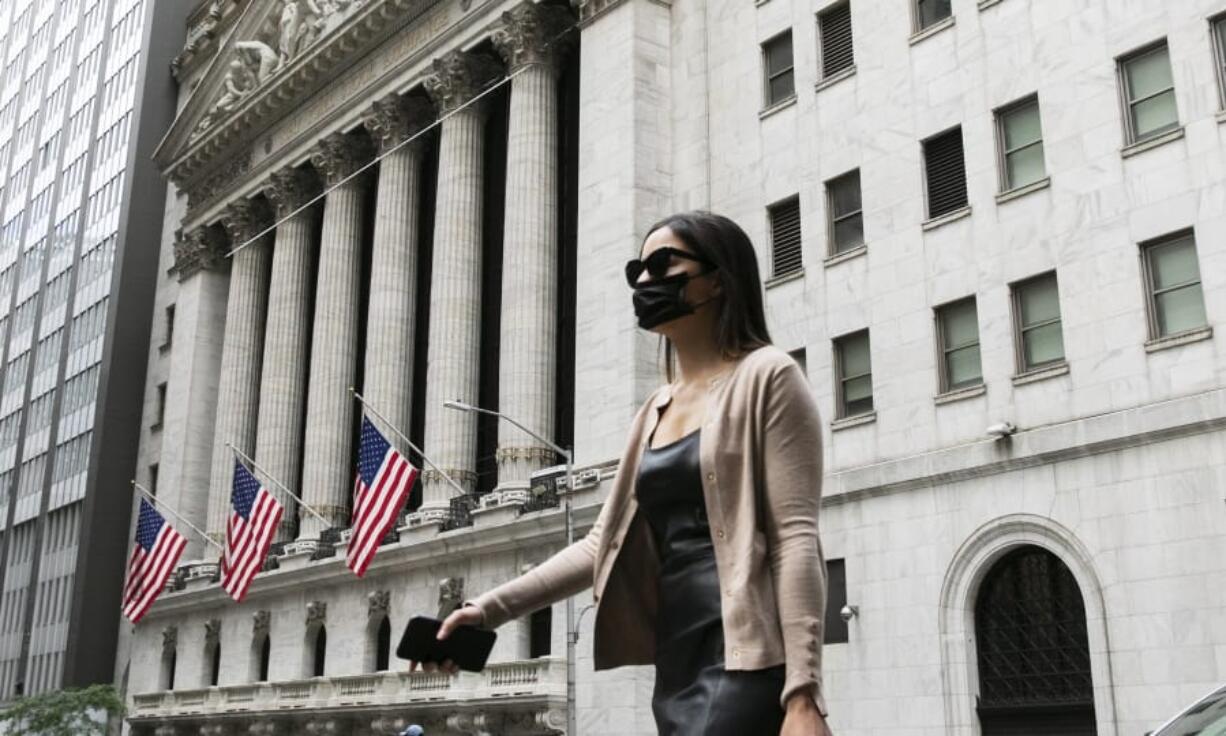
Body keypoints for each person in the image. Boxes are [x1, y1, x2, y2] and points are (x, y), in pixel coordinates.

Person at [408, 211, 833, 736]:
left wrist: (803, 691)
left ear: (719, 277)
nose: (647, 282)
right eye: (639, 272)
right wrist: (487, 609)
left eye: (664, 264)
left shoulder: (769, 376)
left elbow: (795, 539)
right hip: (677, 659)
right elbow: (598, 545)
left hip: (745, 658)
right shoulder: (655, 409)